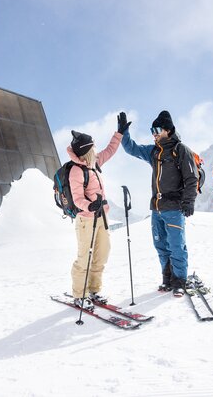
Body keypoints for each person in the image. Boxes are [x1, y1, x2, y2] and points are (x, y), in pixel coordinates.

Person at [119, 110, 198, 297]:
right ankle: (167, 278)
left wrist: (189, 202)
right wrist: (123, 133)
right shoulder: (154, 151)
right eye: (151, 129)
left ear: (168, 130)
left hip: (174, 208)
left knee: (176, 245)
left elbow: (191, 178)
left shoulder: (181, 150)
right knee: (161, 245)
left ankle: (180, 281)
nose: (153, 133)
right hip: (156, 208)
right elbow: (131, 148)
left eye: (157, 129)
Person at [67, 126, 124, 309]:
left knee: (102, 254)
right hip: (86, 219)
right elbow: (77, 198)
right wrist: (89, 205)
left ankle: (94, 290)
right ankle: (79, 294)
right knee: (84, 258)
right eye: (92, 147)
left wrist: (119, 133)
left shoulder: (94, 162)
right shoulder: (76, 171)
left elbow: (110, 150)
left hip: (102, 218)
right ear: (86, 150)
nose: (95, 149)